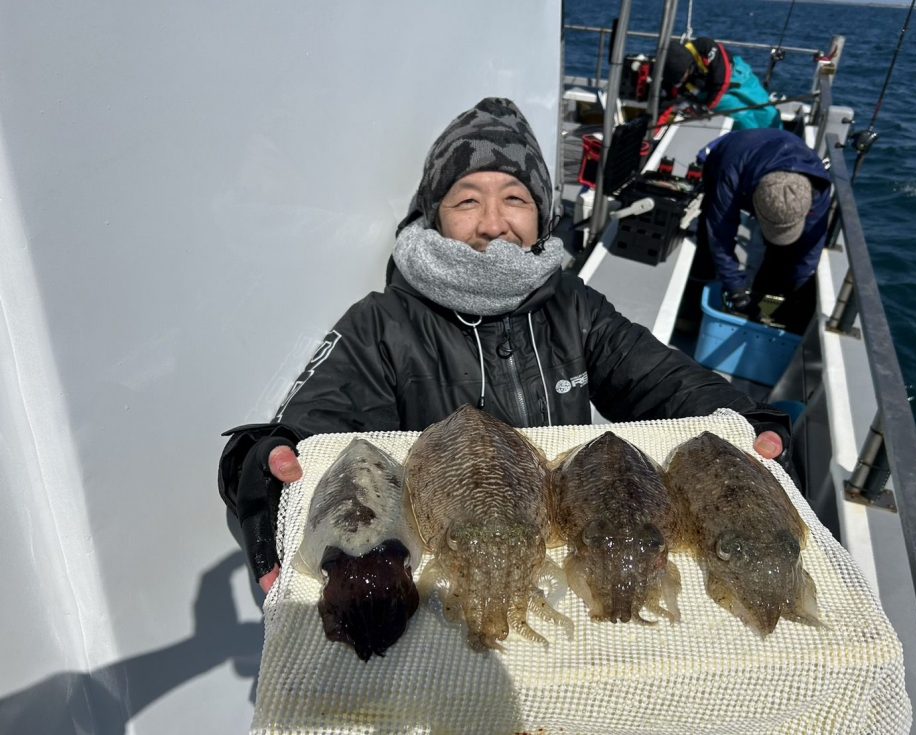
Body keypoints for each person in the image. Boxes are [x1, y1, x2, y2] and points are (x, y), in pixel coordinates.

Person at [217, 97, 793, 593]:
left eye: (515, 199)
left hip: (557, 546)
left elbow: (663, 379)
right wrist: (259, 461)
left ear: (542, 214)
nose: (493, 223)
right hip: (446, 563)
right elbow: (311, 426)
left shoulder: (573, 305)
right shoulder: (380, 323)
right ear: (434, 215)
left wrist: (746, 417)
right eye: (467, 201)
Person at [694, 128, 832, 332]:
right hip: (730, 155)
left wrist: (799, 289)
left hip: (768, 160)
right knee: (708, 235)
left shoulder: (818, 188)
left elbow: (810, 250)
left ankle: (763, 303)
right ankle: (694, 303)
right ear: (754, 207)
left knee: (783, 255)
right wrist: (736, 291)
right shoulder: (729, 172)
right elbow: (720, 234)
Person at [661, 37, 781, 131]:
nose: (683, 79)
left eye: (683, 75)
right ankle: (755, 145)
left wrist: (706, 107)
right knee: (742, 117)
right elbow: (671, 95)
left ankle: (780, 141)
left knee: (768, 112)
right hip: (711, 93)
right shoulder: (672, 73)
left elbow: (720, 79)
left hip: (737, 78)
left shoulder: (705, 46)